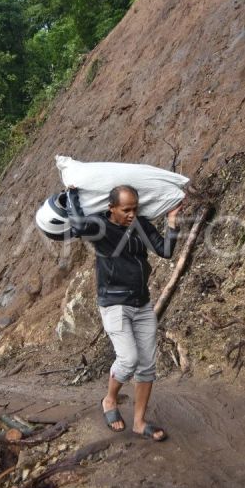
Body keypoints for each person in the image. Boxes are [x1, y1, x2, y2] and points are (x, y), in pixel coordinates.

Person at [66, 184, 181, 441]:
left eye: (135, 208)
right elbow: (79, 226)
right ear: (111, 208)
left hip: (142, 303)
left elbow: (165, 250)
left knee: (147, 365)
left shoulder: (140, 224)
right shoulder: (100, 226)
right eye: (126, 209)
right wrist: (72, 195)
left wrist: (172, 224)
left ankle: (139, 422)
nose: (131, 214)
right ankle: (110, 400)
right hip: (114, 302)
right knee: (128, 359)